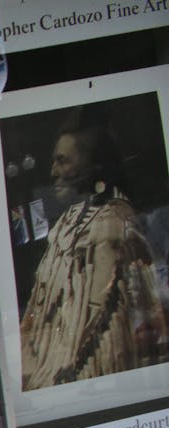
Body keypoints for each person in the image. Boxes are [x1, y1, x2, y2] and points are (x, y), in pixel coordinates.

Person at [18, 112, 169, 390]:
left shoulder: (113, 226)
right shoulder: (68, 222)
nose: (53, 171)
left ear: (96, 166)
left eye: (63, 160)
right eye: (54, 160)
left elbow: (99, 332)